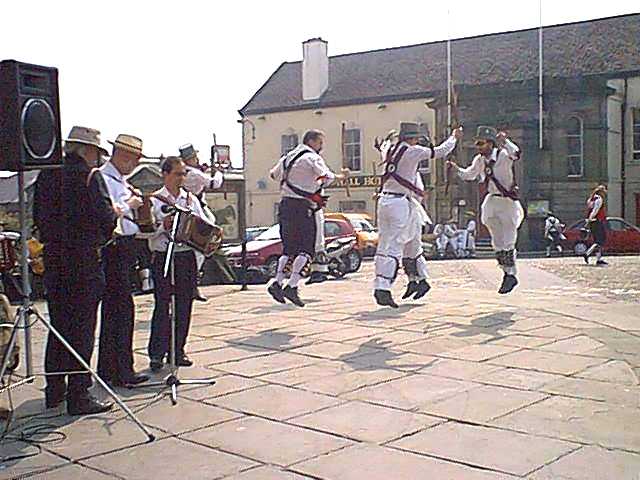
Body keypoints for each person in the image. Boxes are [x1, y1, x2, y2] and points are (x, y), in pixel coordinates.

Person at [33, 126, 116, 414]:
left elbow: (37, 218)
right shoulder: (90, 177)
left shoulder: (46, 175)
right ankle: (78, 394)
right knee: (82, 329)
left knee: (58, 326)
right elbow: (107, 219)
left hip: (55, 259)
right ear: (86, 150)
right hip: (83, 260)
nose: (97, 159)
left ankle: (54, 389)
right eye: (96, 152)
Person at [374, 122, 462, 307]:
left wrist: (386, 141)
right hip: (401, 203)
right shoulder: (413, 151)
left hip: (387, 201)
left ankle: (419, 281)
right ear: (414, 138)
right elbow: (440, 151)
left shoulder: (390, 149)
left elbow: (383, 146)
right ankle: (383, 287)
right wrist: (454, 137)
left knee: (410, 243)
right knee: (395, 244)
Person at [267, 129, 347, 307]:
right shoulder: (312, 157)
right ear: (312, 141)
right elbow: (325, 178)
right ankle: (293, 285)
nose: (321, 147)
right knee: (306, 249)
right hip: (303, 208)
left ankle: (277, 282)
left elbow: (273, 174)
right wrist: (340, 176)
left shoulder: (287, 157)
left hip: (285, 205)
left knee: (288, 250)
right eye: (320, 143)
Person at [147, 156, 209, 370]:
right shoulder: (155, 200)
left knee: (184, 304)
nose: (181, 178)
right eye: (177, 174)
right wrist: (162, 225)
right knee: (163, 304)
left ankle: (177, 349)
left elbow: (203, 224)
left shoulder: (190, 200)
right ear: (165, 174)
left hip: (185, 256)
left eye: (184, 174)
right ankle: (156, 352)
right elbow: (145, 232)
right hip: (164, 255)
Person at [97, 134, 149, 387]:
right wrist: (131, 203)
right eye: (133, 159)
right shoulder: (103, 178)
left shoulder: (120, 180)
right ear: (122, 155)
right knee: (119, 309)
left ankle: (114, 367)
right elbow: (111, 212)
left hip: (126, 246)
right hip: (114, 247)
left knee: (120, 310)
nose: (134, 164)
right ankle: (119, 369)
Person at [447, 126, 523, 294]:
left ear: (490, 143)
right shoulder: (479, 160)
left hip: (508, 202)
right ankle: (506, 271)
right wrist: (456, 169)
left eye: (481, 143)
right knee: (497, 241)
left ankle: (511, 275)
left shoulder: (504, 155)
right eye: (477, 144)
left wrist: (505, 141)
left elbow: (516, 153)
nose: (478, 147)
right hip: (492, 200)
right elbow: (470, 175)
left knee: (509, 239)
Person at [179, 144, 224, 301]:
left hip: (186, 209)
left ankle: (192, 283)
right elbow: (214, 184)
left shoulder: (187, 172)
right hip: (196, 210)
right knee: (201, 245)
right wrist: (219, 172)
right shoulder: (194, 173)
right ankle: (193, 283)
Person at [583, 185, 608, 265]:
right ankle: (587, 253)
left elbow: (589, 209)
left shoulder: (591, 199)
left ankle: (599, 258)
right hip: (597, 221)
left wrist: (588, 221)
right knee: (600, 240)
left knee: (597, 240)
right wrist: (589, 220)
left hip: (593, 221)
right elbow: (595, 211)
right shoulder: (599, 200)